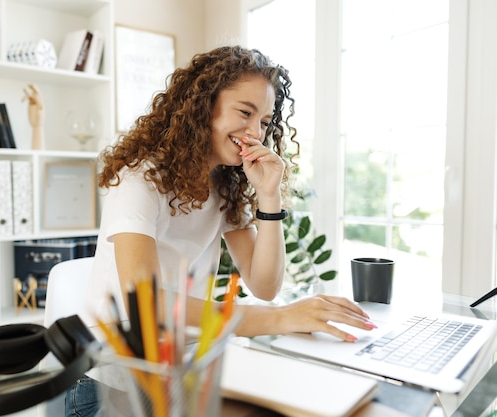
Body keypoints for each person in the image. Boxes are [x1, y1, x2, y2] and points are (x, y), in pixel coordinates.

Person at [65, 45, 377, 417]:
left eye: (264, 122)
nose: (255, 132)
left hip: (182, 373)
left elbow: (264, 285)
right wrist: (281, 318)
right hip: (110, 384)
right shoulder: (139, 179)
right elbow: (147, 303)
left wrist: (269, 196)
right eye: (245, 112)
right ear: (203, 107)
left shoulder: (224, 186)